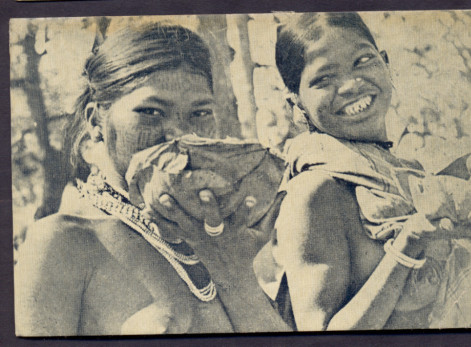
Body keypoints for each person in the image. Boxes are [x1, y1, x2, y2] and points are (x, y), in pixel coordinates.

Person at [14, 22, 289, 336]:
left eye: (200, 113)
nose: (180, 134)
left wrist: (234, 274)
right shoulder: (62, 243)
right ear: (95, 121)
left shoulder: (225, 236)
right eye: (151, 112)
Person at [253, 12, 471, 331]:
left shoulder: (405, 175)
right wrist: (409, 243)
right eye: (323, 79)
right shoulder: (317, 190)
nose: (351, 85)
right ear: (297, 103)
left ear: (385, 63)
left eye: (362, 60)